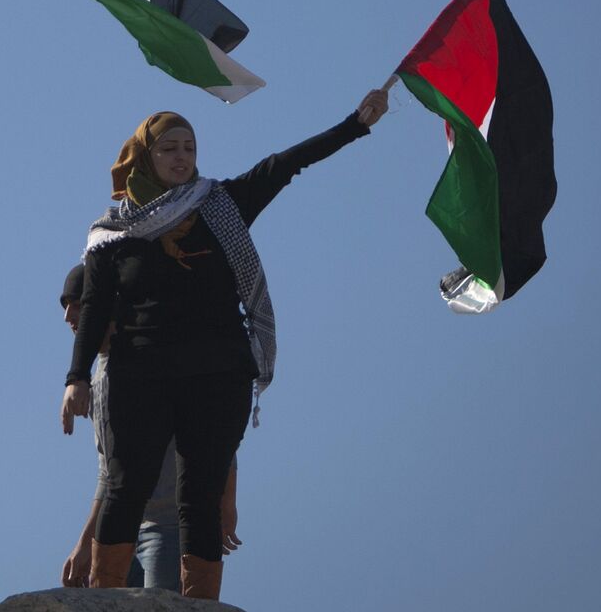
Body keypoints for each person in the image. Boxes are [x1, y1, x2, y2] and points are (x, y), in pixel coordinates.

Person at [60, 90, 389, 599]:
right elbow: (96, 311)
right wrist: (76, 379)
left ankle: (199, 604)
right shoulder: (110, 237)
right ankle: (106, 599)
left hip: (216, 375)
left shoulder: (220, 206)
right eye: (169, 148)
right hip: (138, 375)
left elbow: (284, 165)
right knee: (127, 487)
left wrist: (355, 125)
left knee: (200, 495)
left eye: (189, 147)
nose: (182, 157)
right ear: (146, 157)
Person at [57, 265, 238, 592]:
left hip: (169, 530)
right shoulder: (99, 375)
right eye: (65, 305)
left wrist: (225, 504)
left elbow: (211, 435)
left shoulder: (150, 361)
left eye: (78, 303)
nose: (68, 316)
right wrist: (88, 542)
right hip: (123, 530)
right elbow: (109, 474)